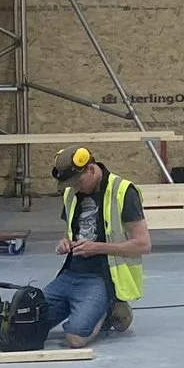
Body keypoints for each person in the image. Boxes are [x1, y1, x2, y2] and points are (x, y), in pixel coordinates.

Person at [45, 145, 149, 348]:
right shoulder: (71, 193)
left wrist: (97, 248)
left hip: (101, 277)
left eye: (78, 182)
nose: (75, 188)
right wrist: (64, 242)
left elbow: (143, 244)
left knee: (76, 338)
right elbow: (71, 231)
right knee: (30, 322)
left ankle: (109, 309)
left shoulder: (123, 192)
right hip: (70, 273)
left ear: (91, 169)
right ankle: (80, 307)